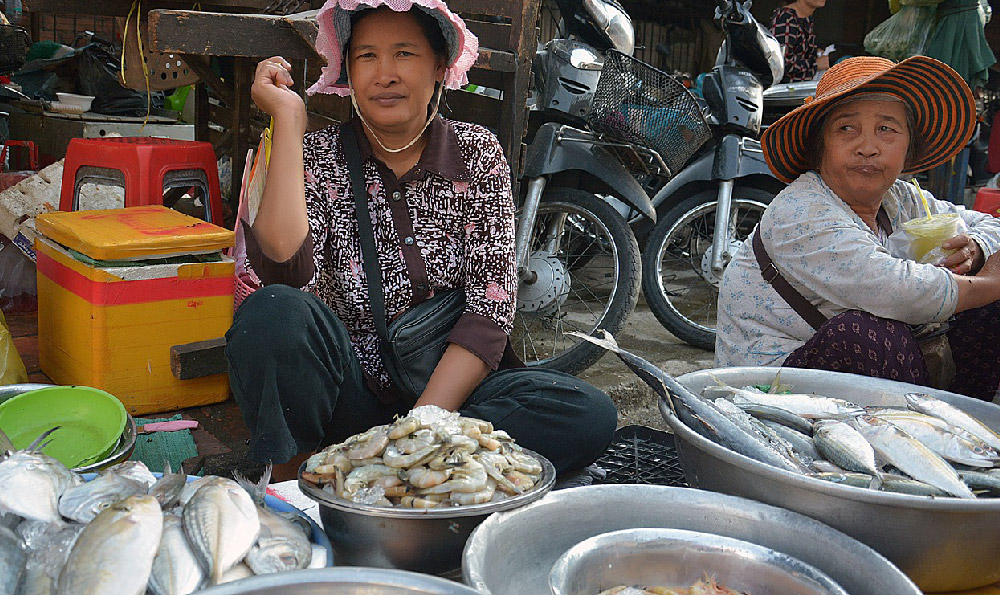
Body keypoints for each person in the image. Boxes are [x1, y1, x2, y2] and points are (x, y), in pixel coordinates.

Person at [226, 0, 618, 482]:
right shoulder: (321, 156)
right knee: (273, 312)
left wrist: (418, 431)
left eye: (404, 54)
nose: (384, 74)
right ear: (347, 70)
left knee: (584, 411)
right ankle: (297, 489)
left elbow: (489, 312)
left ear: (438, 67)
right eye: (366, 56)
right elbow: (282, 267)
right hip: (349, 400)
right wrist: (289, 120)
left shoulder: (476, 153)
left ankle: (394, 470)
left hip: (450, 403)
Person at [716, 55, 1000, 402]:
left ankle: (964, 424)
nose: (868, 147)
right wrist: (990, 282)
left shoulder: (900, 198)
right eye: (846, 129)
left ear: (909, 147)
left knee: (988, 310)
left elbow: (989, 224)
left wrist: (977, 247)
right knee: (867, 334)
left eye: (887, 129)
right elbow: (897, 291)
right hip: (770, 390)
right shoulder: (801, 210)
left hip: (866, 377)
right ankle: (912, 438)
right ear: (819, 148)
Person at [769, 0, 829, 83]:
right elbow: (781, 63)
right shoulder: (786, 18)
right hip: (787, 91)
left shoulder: (806, 18)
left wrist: (815, 54)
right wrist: (815, 64)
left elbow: (800, 52)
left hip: (802, 88)